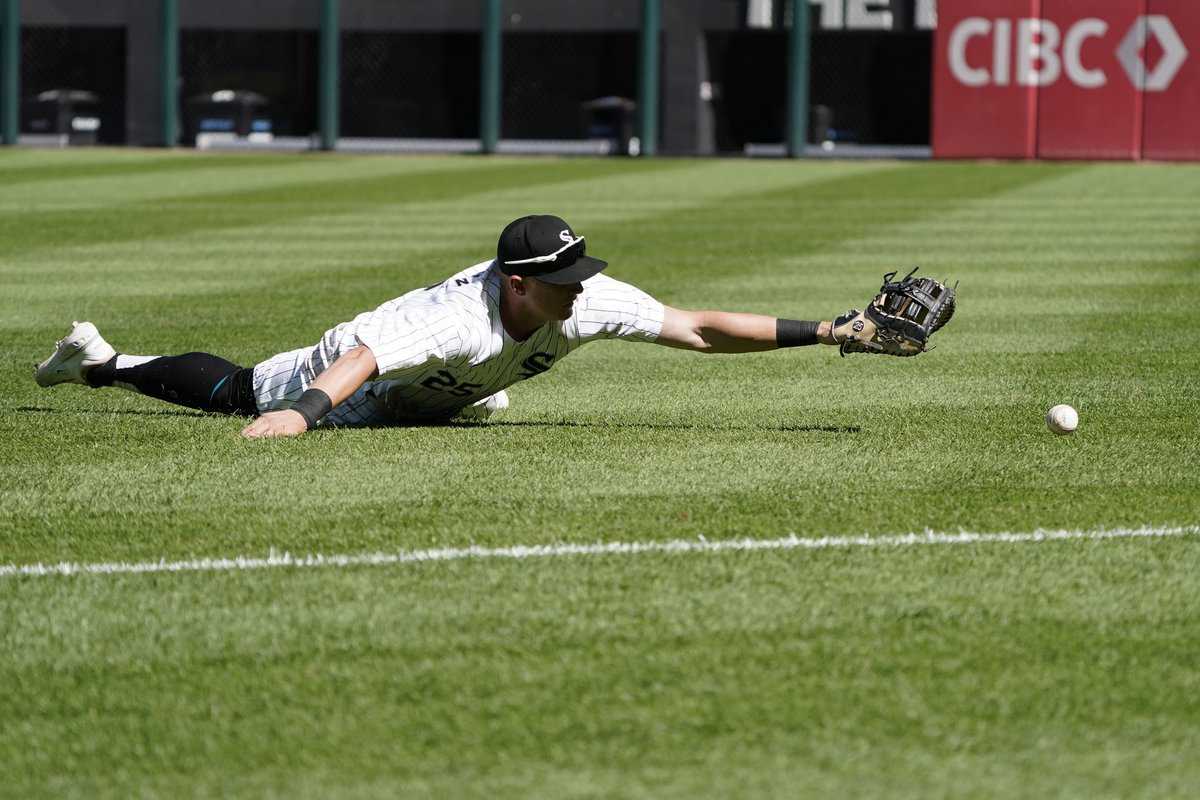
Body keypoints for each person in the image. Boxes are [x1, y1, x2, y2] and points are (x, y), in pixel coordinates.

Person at [32, 214, 876, 439]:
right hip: (350, 375)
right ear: (517, 285)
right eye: (563, 281)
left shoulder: (580, 301)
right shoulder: (453, 323)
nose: (582, 292)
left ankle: (458, 400)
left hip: (430, 388)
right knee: (238, 389)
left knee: (463, 398)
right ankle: (101, 362)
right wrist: (300, 412)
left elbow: (696, 327)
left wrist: (833, 330)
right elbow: (362, 359)